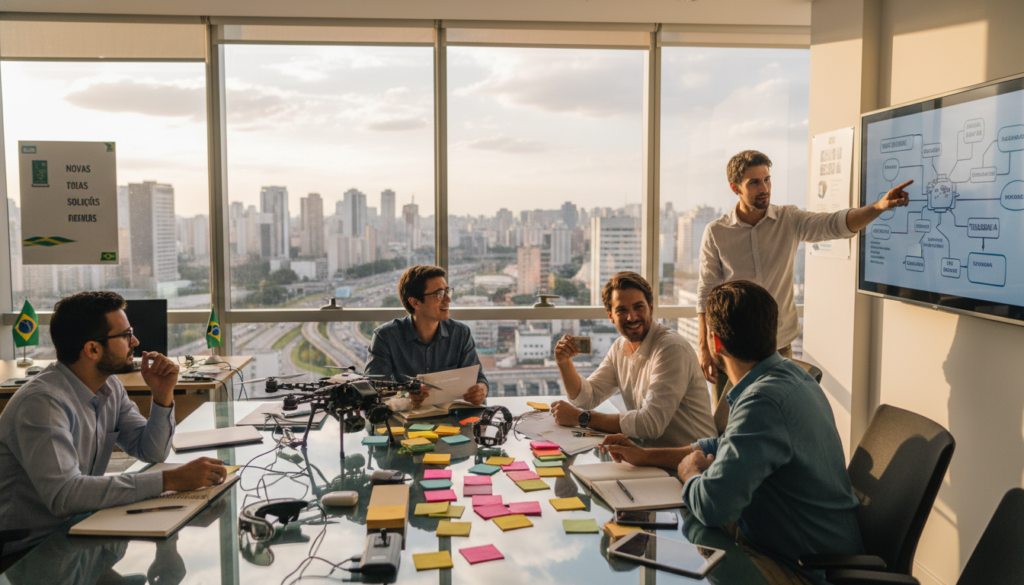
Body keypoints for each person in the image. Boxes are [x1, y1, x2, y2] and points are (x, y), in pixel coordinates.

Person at [602, 280, 862, 585]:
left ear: (716, 342)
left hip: (801, 568)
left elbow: (713, 506)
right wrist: (646, 456)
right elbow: (723, 445)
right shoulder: (790, 375)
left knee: (677, 561)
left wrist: (690, 475)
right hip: (790, 542)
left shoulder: (762, 402)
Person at [0, 291, 227, 560]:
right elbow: (65, 494)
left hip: (81, 530)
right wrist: (172, 479)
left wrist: (162, 396)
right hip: (28, 552)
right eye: (126, 335)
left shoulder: (109, 386)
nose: (136, 342)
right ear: (92, 349)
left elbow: (151, 452)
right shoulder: (43, 403)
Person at [697, 149, 912, 415]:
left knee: (777, 422)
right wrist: (704, 346)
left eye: (767, 179)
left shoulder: (789, 219)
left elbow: (835, 224)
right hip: (731, 350)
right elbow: (706, 290)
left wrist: (879, 206)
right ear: (735, 188)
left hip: (775, 346)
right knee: (727, 425)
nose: (764, 188)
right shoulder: (716, 232)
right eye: (754, 182)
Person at [550, 272, 716, 448]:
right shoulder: (620, 347)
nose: (632, 317)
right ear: (610, 316)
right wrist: (564, 363)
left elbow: (649, 425)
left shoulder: (671, 348)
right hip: (653, 457)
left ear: (651, 308)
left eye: (638, 307)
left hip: (697, 462)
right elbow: (587, 398)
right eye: (622, 310)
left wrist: (581, 418)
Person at [364, 265, 488, 407]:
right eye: (439, 294)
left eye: (447, 292)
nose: (448, 300)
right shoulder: (385, 337)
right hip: (404, 421)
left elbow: (479, 379)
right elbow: (373, 389)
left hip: (450, 421)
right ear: (415, 302)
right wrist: (406, 398)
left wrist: (481, 390)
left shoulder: (460, 333)